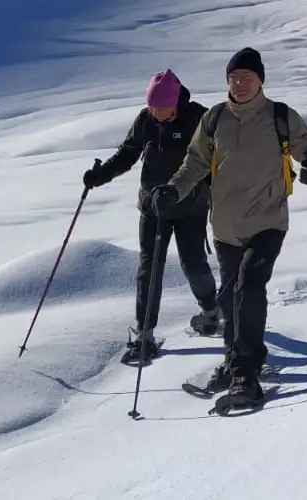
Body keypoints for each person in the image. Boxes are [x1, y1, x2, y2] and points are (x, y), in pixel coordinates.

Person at [150, 47, 307, 402]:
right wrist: (174, 190)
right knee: (230, 296)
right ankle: (234, 362)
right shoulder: (216, 118)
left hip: (268, 219)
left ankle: (245, 375)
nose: (239, 84)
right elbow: (195, 162)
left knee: (249, 286)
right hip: (225, 225)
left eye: (246, 77)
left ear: (260, 79)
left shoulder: (280, 116)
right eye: (233, 78)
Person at [82, 69, 221, 365]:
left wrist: (209, 189)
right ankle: (144, 334)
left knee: (192, 262)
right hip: (152, 207)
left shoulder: (198, 118)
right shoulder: (145, 120)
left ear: (175, 102)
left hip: (189, 207)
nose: (155, 113)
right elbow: (128, 153)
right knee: (150, 266)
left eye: (160, 108)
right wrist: (100, 175)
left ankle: (211, 311)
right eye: (151, 107)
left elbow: (214, 160)